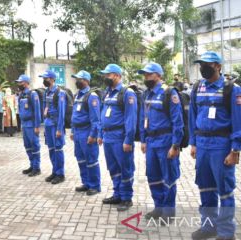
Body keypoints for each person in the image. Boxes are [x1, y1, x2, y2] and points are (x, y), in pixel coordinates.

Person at [189, 51, 241, 240]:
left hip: (221, 146)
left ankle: (227, 233)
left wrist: (235, 149)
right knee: (205, 187)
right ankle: (208, 226)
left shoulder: (231, 89)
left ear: (218, 66)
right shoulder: (197, 87)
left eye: (208, 64)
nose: (203, 67)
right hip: (202, 145)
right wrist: (193, 143)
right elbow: (192, 116)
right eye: (201, 63)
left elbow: (238, 120)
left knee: (224, 190)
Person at [138, 62, 184, 222]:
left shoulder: (169, 93)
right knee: (153, 176)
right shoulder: (146, 94)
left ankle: (168, 212)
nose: (146, 77)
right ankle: (158, 208)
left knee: (168, 177)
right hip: (151, 142)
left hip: (165, 142)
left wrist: (175, 145)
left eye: (149, 74)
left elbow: (177, 122)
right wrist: (143, 140)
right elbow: (143, 118)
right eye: (144, 75)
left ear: (158, 75)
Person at [98, 64, 137, 212]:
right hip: (108, 136)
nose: (106, 77)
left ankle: (127, 198)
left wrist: (128, 140)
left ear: (117, 76)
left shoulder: (127, 93)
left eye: (108, 75)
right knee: (113, 168)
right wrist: (101, 134)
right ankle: (117, 194)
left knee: (125, 168)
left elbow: (130, 119)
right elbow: (103, 114)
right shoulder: (107, 93)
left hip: (120, 137)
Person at [70, 70, 101, 196]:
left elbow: (95, 119)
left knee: (91, 159)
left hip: (86, 131)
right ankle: (86, 183)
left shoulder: (91, 96)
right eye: (76, 79)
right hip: (77, 131)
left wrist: (93, 135)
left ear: (86, 81)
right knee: (80, 159)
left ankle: (95, 185)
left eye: (79, 79)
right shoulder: (77, 95)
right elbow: (74, 114)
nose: (77, 81)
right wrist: (72, 130)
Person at [40, 70, 67, 185]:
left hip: (56, 125)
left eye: (45, 78)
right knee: (51, 149)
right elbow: (45, 107)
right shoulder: (47, 92)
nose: (44, 81)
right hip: (48, 124)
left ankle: (60, 174)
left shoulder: (59, 92)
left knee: (58, 149)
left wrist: (60, 129)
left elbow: (62, 112)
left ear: (51, 79)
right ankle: (54, 171)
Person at [16, 74, 42, 177]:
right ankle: (32, 165)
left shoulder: (32, 94)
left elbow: (37, 111)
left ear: (26, 83)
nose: (19, 84)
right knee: (27, 146)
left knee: (34, 145)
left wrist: (37, 126)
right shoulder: (21, 95)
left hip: (31, 124)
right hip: (24, 124)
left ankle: (37, 168)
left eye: (20, 82)